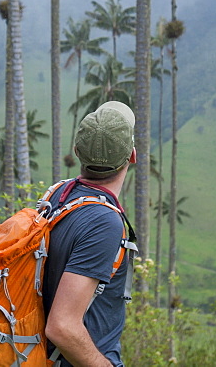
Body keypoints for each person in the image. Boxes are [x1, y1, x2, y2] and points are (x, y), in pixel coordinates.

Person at [43, 101, 136, 367]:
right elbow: (62, 326)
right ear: (132, 155)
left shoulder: (59, 193)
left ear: (77, 152)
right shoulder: (104, 222)